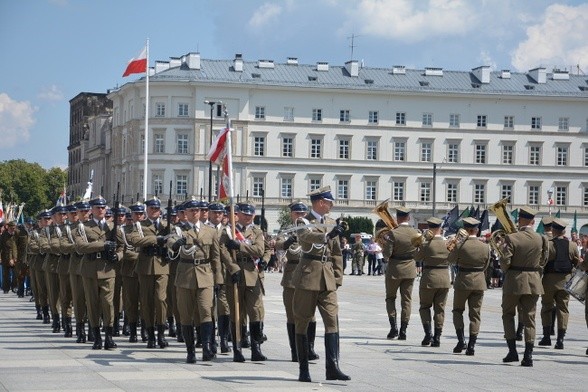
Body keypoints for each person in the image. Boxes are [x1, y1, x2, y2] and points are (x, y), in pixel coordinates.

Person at [292, 186, 350, 383]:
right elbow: (304, 236)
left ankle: (333, 367)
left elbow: (336, 253)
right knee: (302, 321)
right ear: (321, 202)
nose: (332, 205)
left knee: (332, 321)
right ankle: (303, 368)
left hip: (327, 278)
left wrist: (338, 277)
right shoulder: (304, 220)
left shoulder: (331, 222)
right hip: (308, 275)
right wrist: (327, 235)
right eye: (329, 202)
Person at [168, 198, 222, 363]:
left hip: (205, 275)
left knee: (206, 311)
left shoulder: (210, 231)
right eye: (191, 210)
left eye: (197, 210)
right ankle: (190, 351)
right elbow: (169, 243)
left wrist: (218, 279)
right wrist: (177, 244)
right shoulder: (178, 230)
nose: (195, 213)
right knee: (186, 315)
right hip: (185, 275)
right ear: (185, 213)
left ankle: (206, 346)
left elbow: (216, 257)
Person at [500, 206, 548, 367]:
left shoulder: (512, 238)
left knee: (508, 314)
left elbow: (505, 261)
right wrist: (535, 271)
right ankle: (528, 355)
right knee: (530, 318)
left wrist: (507, 270)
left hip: (514, 280)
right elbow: (544, 260)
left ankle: (512, 351)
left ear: (519, 220)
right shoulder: (541, 238)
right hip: (533, 280)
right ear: (533, 221)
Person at [275, 200, 319, 363]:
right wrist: (287, 242)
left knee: (311, 315)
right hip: (291, 277)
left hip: (308, 276)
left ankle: (310, 348)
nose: (299, 216)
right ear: (291, 214)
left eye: (302, 213)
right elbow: (278, 244)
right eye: (296, 213)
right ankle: (295, 350)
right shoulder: (287, 230)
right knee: (292, 315)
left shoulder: (311, 228)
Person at [222, 202, 267, 362]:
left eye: (250, 214)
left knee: (255, 312)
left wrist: (240, 246)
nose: (248, 217)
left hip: (252, 274)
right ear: (238, 214)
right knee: (236, 314)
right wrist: (232, 267)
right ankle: (237, 349)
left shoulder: (257, 231)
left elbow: (259, 250)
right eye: (245, 214)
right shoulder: (228, 230)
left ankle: (256, 348)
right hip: (235, 274)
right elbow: (223, 251)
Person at [75, 196, 121, 350]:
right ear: (92, 210)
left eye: (103, 207)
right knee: (93, 304)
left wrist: (118, 256)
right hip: (90, 270)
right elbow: (81, 247)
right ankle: (96, 337)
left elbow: (122, 247)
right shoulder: (83, 228)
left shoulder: (113, 227)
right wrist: (103, 245)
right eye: (97, 208)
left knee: (108, 304)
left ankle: (108, 337)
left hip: (108, 270)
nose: (101, 210)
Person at [127, 196, 170, 349]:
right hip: (145, 267)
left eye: (157, 209)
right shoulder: (139, 226)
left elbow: (174, 239)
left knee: (160, 299)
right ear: (147, 210)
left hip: (162, 266)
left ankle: (161, 333)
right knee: (146, 302)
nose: (154, 211)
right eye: (152, 208)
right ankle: (150, 334)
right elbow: (135, 240)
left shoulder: (166, 225)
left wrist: (168, 242)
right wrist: (156, 239)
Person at [448, 217, 490, 355]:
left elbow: (450, 260)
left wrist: (454, 244)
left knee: (458, 311)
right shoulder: (485, 247)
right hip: (479, 281)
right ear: (477, 230)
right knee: (475, 314)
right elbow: (486, 266)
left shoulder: (460, 246)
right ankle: (472, 345)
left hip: (463, 281)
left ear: (465, 230)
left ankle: (461, 341)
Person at [537, 218, 580, 349]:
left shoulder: (548, 244)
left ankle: (546, 337)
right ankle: (560, 339)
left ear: (553, 230)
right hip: (565, 281)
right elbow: (576, 262)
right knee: (563, 309)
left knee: (546, 308)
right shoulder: (572, 245)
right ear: (564, 231)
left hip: (549, 280)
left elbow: (542, 262)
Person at [382, 207, 419, 340]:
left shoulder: (393, 233)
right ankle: (403, 330)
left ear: (397, 218)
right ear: (408, 218)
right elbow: (418, 253)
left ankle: (394, 328)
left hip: (395, 270)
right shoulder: (416, 233)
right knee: (407, 300)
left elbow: (387, 255)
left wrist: (384, 242)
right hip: (410, 269)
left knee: (391, 298)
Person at [414, 217, 450, 347]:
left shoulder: (425, 244)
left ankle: (428, 335)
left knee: (425, 307)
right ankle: (437, 337)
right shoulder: (449, 243)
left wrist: (418, 245)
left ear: (429, 228)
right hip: (445, 278)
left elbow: (416, 257)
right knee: (440, 309)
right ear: (440, 227)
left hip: (429, 278)